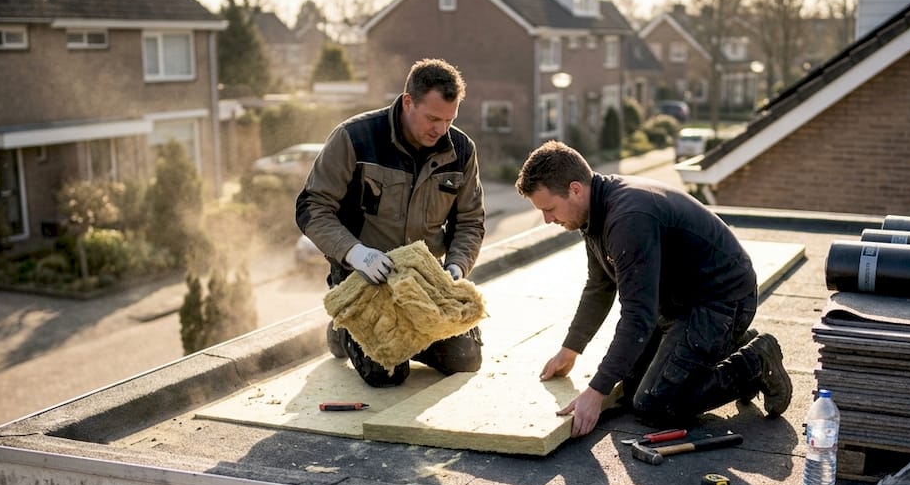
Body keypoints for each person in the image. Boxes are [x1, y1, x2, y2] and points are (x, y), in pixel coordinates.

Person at [515, 140, 792, 438]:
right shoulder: (594, 213)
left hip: (722, 300)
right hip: (681, 303)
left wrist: (595, 392)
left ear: (575, 189)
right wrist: (570, 350)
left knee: (654, 403)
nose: (547, 219)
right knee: (632, 387)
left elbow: (638, 318)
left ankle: (755, 361)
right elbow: (599, 287)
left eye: (549, 209)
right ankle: (731, 344)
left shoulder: (627, 219)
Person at [296, 58, 485, 387]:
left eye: (449, 119)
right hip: (362, 272)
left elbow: (470, 221)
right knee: (387, 375)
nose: (441, 130)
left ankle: (408, 336)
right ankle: (345, 330)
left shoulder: (462, 151)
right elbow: (312, 206)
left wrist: (456, 268)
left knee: (466, 359)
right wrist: (355, 253)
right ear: (408, 101)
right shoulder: (355, 138)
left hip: (424, 279)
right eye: (432, 118)